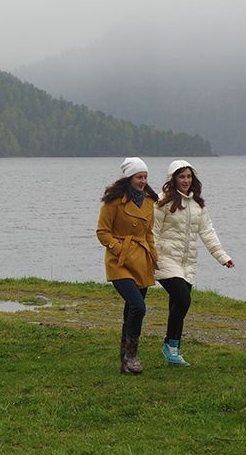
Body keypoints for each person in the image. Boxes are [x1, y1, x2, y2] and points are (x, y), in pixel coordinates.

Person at [151, 159, 234, 367]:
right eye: (181, 177)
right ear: (173, 179)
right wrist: (151, 257)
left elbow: (207, 232)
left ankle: (173, 350)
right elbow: (152, 232)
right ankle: (169, 345)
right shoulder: (161, 202)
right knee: (183, 299)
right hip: (164, 259)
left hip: (187, 263)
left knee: (177, 304)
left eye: (189, 176)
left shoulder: (198, 205)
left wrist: (222, 256)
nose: (186, 180)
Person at [96, 156, 159, 374]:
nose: (143, 181)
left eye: (145, 177)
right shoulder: (113, 201)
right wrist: (118, 248)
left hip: (141, 260)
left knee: (130, 311)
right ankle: (132, 356)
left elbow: (148, 233)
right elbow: (102, 232)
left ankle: (125, 360)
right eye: (139, 177)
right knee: (138, 307)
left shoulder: (150, 201)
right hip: (119, 263)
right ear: (130, 178)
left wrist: (154, 257)